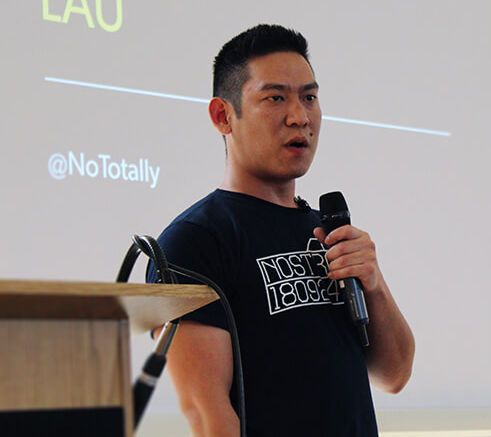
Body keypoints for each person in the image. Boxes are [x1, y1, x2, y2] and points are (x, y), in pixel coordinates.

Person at [147, 24, 415, 437]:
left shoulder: (327, 232)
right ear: (223, 116)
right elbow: (208, 416)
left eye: (309, 97)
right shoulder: (190, 243)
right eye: (275, 98)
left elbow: (393, 375)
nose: (300, 116)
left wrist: (374, 283)